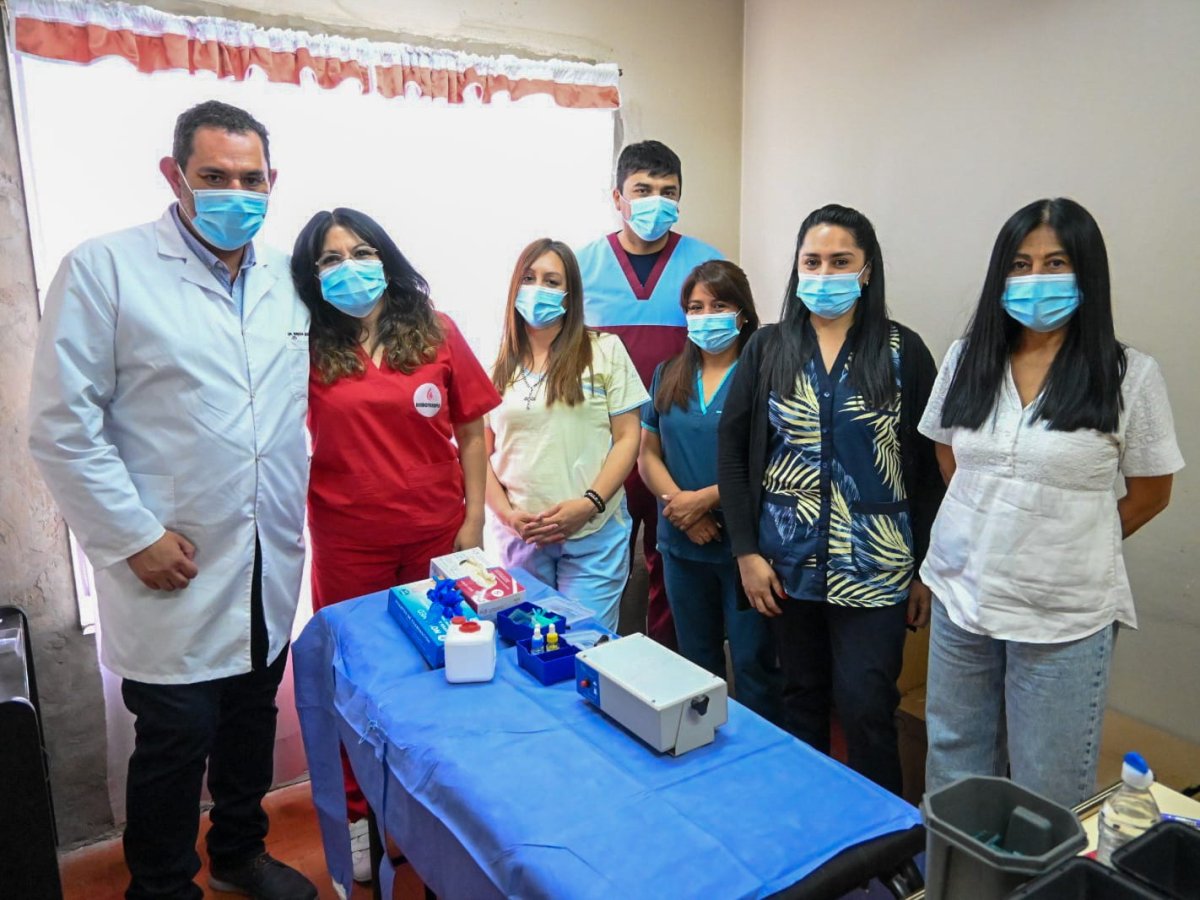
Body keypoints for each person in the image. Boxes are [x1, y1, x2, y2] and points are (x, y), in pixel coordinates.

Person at [28, 101, 315, 900]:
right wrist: (132, 536)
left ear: (273, 180)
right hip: (169, 559)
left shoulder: (289, 281)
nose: (236, 193)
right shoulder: (106, 268)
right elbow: (61, 426)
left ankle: (239, 853)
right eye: (215, 176)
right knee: (175, 739)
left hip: (265, 554)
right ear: (175, 176)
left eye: (251, 179)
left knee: (252, 718)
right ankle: (160, 885)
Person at [919, 198, 1183, 807]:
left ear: (1087, 273)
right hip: (962, 596)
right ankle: (956, 865)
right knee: (954, 767)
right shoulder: (967, 359)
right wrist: (991, 524)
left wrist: (1066, 540)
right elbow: (948, 454)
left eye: (1055, 262)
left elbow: (1151, 493)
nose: (1035, 278)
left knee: (1046, 788)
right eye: (1020, 264)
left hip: (1063, 616)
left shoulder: (1129, 375)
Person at [291, 208, 500, 880]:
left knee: (437, 673)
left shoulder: (436, 331)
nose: (348, 268)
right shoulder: (302, 341)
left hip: (436, 533)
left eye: (360, 252)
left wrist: (473, 522)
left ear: (385, 256)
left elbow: (473, 431)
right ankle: (361, 817)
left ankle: (426, 813)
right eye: (330, 259)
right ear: (311, 275)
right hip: (349, 541)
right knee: (356, 679)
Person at [718, 204, 944, 794]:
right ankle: (809, 820)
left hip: (877, 567)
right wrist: (746, 552)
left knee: (867, 703)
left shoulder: (903, 351)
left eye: (840, 261)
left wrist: (925, 570)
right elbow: (735, 454)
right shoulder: (767, 348)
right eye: (812, 261)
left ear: (866, 270)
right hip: (784, 567)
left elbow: (929, 472)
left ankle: (884, 836)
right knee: (800, 698)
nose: (824, 274)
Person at [578, 140, 724, 646]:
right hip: (603, 447)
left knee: (673, 569)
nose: (655, 201)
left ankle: (669, 670)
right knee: (596, 566)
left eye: (668, 191)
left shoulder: (706, 264)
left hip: (674, 447)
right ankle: (592, 665)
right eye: (642, 190)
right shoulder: (581, 267)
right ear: (617, 196)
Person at [637, 260, 780, 722]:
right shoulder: (668, 374)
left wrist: (705, 501)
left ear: (742, 312)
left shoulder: (764, 375)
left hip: (744, 547)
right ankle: (704, 746)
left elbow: (773, 462)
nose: (705, 316)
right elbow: (647, 455)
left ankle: (759, 753)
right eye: (695, 307)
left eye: (718, 305)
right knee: (695, 663)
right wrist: (682, 508)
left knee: (754, 664)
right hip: (681, 543)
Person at [487, 238, 649, 631]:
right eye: (529, 278)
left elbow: (628, 438)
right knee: (527, 645)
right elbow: (479, 454)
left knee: (582, 644)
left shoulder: (605, 350)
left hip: (593, 534)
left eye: (551, 281)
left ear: (570, 293)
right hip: (521, 536)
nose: (537, 288)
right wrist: (508, 516)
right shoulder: (496, 362)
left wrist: (590, 503)